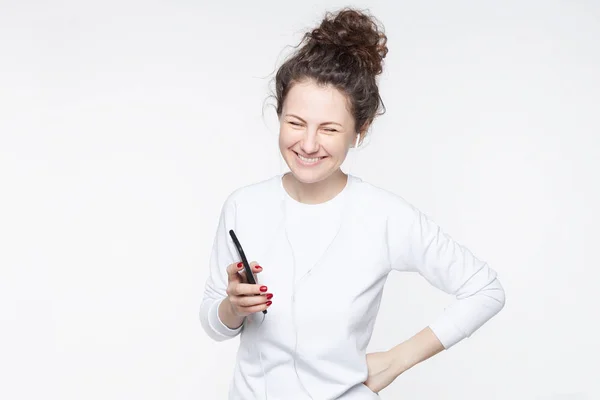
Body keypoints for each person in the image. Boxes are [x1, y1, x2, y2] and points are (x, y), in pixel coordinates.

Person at [200, 7, 505, 400]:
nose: (308, 144)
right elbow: (213, 322)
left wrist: (396, 360)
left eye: (329, 129)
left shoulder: (383, 216)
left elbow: (484, 289)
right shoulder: (244, 206)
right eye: (295, 123)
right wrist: (232, 308)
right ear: (278, 115)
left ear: (360, 130)